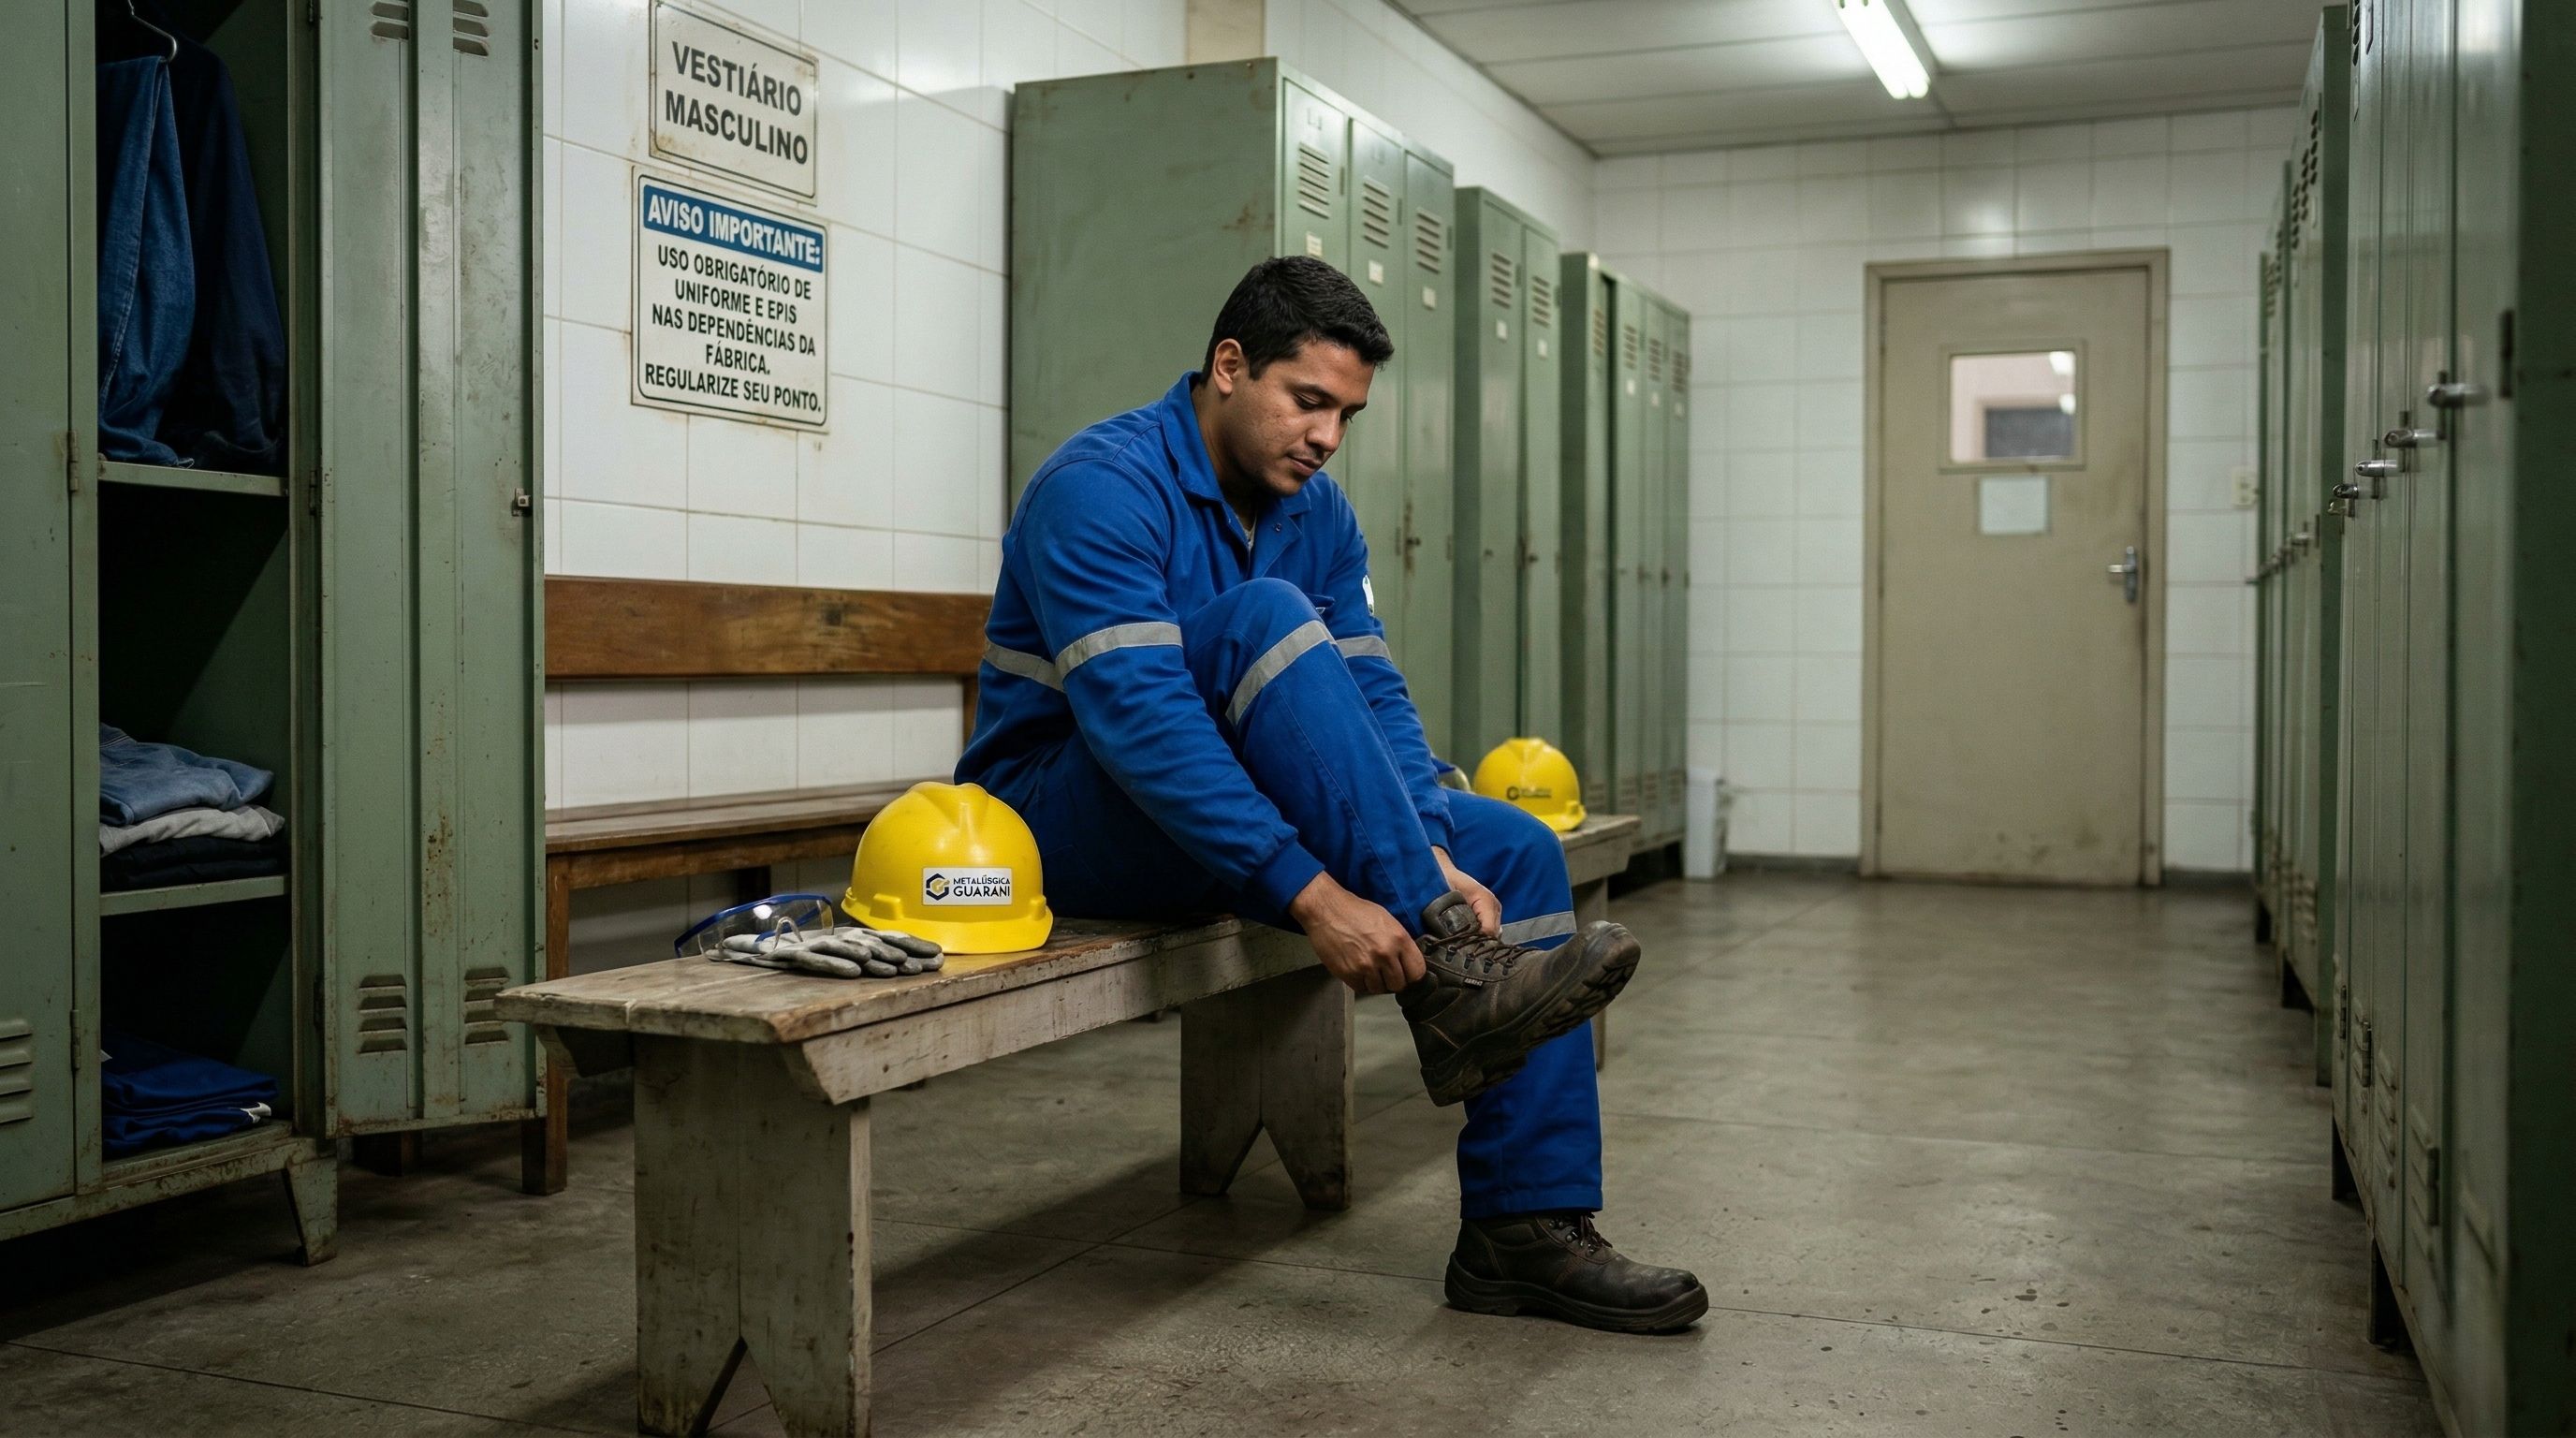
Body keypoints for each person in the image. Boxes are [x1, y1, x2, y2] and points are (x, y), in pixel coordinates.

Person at [957, 256, 1707, 1333]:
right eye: (1307, 402)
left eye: (1346, 414)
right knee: (1262, 616)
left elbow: (1373, 698)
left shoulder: (1318, 513)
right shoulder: (1101, 484)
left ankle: (1522, 1232)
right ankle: (1454, 975)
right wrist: (1313, 894)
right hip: (1062, 821)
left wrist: (1428, 844)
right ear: (1228, 367)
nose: (1326, 437)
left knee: (1513, 849)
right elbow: (1141, 726)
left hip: (1220, 817)